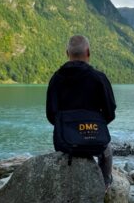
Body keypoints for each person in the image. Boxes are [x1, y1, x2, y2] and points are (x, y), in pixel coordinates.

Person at [46, 35, 116, 190]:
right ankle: (104, 186)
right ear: (88, 52)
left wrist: (71, 129)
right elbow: (110, 113)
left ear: (67, 53)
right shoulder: (99, 78)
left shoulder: (56, 79)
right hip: (94, 138)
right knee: (107, 151)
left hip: (65, 142)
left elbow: (51, 114)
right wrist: (92, 127)